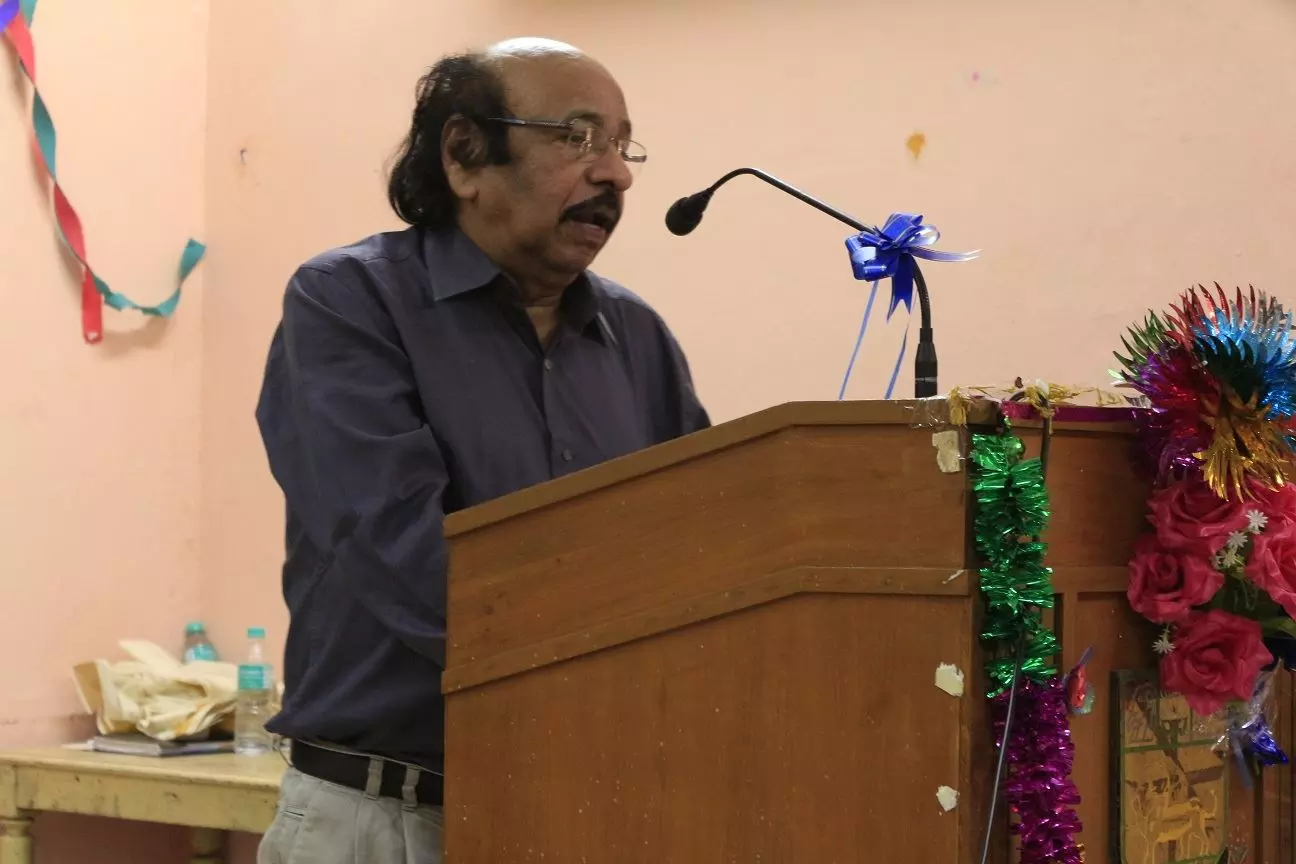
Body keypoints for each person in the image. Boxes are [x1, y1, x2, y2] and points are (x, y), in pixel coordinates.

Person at [253, 37, 710, 864]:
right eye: (577, 137)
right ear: (465, 154)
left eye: (622, 144)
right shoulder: (350, 302)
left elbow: (702, 549)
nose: (615, 174)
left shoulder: (639, 340)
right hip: (388, 818)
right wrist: (603, 671)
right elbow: (401, 551)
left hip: (593, 805)